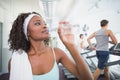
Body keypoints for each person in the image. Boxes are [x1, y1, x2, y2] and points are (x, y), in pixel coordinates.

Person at [8, 12, 93, 80]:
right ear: (27, 32)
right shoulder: (15, 61)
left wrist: (71, 45)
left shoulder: (57, 53)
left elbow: (87, 78)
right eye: (37, 23)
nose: (45, 26)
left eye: (44, 23)